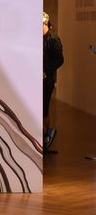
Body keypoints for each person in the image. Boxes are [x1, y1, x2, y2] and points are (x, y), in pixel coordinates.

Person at [43, 12, 64, 151]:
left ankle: (45, 136)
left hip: (47, 79)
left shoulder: (53, 39)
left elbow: (59, 60)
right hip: (37, 79)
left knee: (44, 108)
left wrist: (46, 69)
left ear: (45, 24)